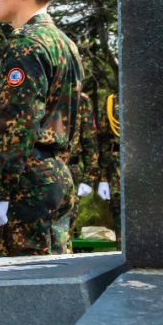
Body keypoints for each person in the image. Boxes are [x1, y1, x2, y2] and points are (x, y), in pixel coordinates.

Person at [0, 0, 84, 257]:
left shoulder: (26, 45)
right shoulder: (65, 44)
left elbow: (16, 125)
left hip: (27, 182)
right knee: (53, 280)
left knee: (21, 287)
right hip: (57, 175)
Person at [65, 91, 101, 248]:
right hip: (36, 167)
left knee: (65, 226)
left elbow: (89, 140)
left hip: (68, 169)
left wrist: (89, 177)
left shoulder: (80, 98)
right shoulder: (39, 90)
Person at [97, 92, 121, 242]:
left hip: (147, 160)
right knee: (118, 207)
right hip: (119, 161)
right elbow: (104, 140)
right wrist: (103, 176)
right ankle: (122, 247)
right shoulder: (112, 102)